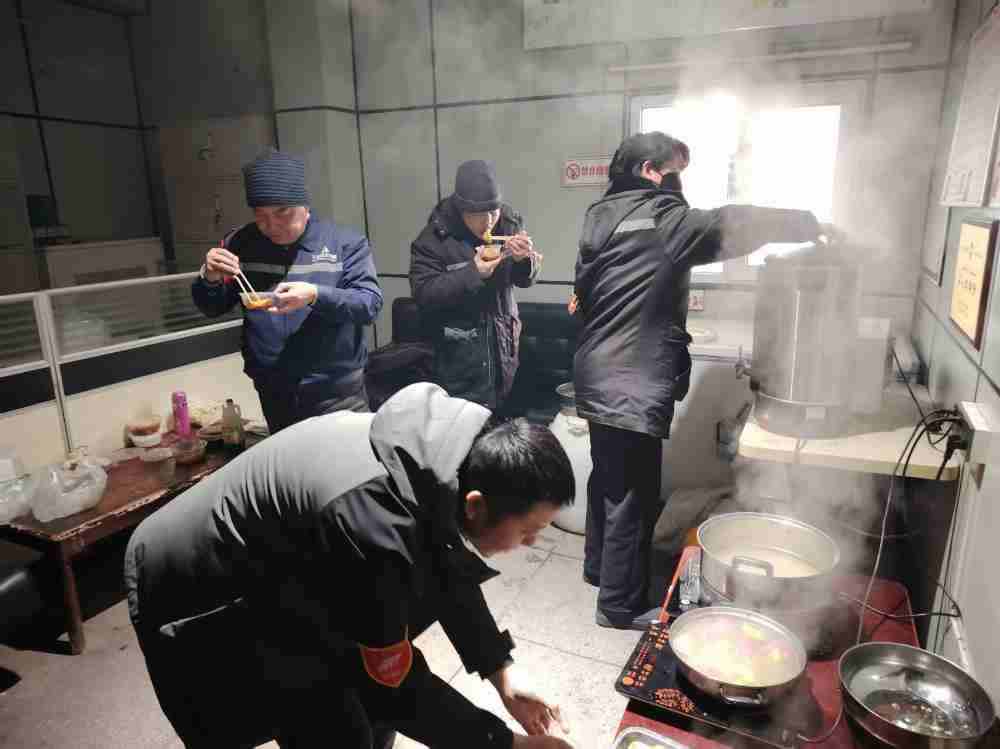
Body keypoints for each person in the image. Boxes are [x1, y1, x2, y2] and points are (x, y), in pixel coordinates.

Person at [125, 383, 576, 749]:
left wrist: (501, 671)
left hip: (292, 565)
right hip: (196, 583)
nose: (531, 543)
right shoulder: (374, 524)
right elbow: (393, 683)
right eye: (528, 530)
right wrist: (504, 744)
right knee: (319, 722)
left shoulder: (445, 460)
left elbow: (446, 564)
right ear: (475, 506)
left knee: (357, 712)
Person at [572, 132, 830, 630]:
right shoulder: (663, 220)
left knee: (608, 477)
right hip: (632, 378)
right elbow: (734, 222)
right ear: (650, 171)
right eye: (676, 171)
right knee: (633, 492)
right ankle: (619, 605)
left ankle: (599, 570)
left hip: (596, 369)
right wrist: (809, 223)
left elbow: (588, 293)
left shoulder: (601, 217)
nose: (680, 182)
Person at [192, 149, 383, 433]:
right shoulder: (241, 243)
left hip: (336, 391)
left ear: (304, 205)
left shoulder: (344, 242)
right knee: (287, 461)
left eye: (283, 212)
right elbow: (212, 307)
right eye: (261, 215)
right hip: (273, 389)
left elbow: (369, 304)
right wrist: (209, 278)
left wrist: (315, 294)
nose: (271, 226)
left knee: (346, 459)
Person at [410, 160, 541, 411]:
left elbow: (524, 280)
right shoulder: (434, 239)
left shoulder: (509, 224)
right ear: (461, 210)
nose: (489, 222)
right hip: (457, 364)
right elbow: (424, 294)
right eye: (479, 215)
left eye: (493, 212)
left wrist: (525, 260)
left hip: (505, 353)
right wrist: (473, 273)